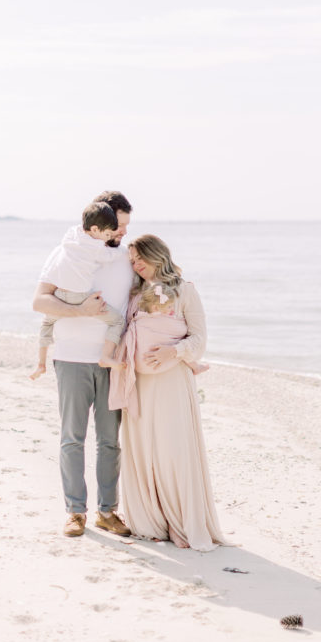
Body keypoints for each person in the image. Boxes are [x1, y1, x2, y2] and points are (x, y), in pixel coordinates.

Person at [109, 234, 224, 552]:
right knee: (145, 453)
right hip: (140, 385)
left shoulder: (186, 291)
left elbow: (199, 341)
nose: (135, 264)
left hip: (171, 383)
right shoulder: (134, 294)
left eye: (139, 257)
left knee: (173, 452)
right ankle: (152, 522)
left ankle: (181, 522)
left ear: (157, 254)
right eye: (131, 261)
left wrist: (173, 352)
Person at [32, 190, 134, 539]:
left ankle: (108, 511)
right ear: (100, 224)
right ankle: (75, 512)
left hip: (112, 362)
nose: (121, 234)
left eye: (124, 228)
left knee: (110, 441)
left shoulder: (125, 258)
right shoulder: (66, 253)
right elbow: (40, 300)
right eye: (118, 226)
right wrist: (80, 311)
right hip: (72, 356)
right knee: (72, 438)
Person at [29, 200, 127, 380]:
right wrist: (124, 251)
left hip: (61, 294)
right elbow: (38, 302)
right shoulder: (97, 248)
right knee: (117, 321)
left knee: (46, 324)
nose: (119, 233)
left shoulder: (70, 237)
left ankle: (41, 363)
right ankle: (106, 355)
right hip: (80, 299)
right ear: (96, 229)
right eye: (114, 229)